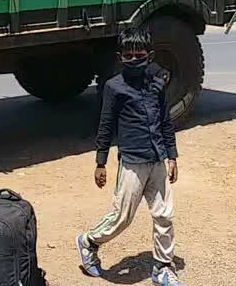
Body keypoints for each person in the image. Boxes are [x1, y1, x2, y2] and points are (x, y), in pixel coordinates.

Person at [77, 28, 183, 286]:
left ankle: (162, 266)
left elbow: (165, 121)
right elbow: (105, 125)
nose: (134, 59)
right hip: (132, 162)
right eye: (128, 55)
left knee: (164, 215)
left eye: (140, 54)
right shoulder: (114, 87)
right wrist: (100, 162)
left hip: (157, 158)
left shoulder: (158, 83)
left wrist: (172, 156)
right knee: (122, 216)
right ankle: (89, 241)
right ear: (119, 57)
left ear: (151, 55)